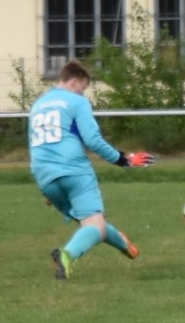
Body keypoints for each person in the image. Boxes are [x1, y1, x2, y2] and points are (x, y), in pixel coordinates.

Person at [28, 60, 156, 280]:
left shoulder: (38, 105)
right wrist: (123, 160)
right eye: (83, 87)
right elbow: (93, 140)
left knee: (93, 224)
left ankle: (125, 245)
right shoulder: (77, 102)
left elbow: (34, 145)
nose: (83, 93)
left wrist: (48, 183)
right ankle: (67, 255)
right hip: (74, 171)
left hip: (45, 176)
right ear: (74, 82)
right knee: (95, 226)